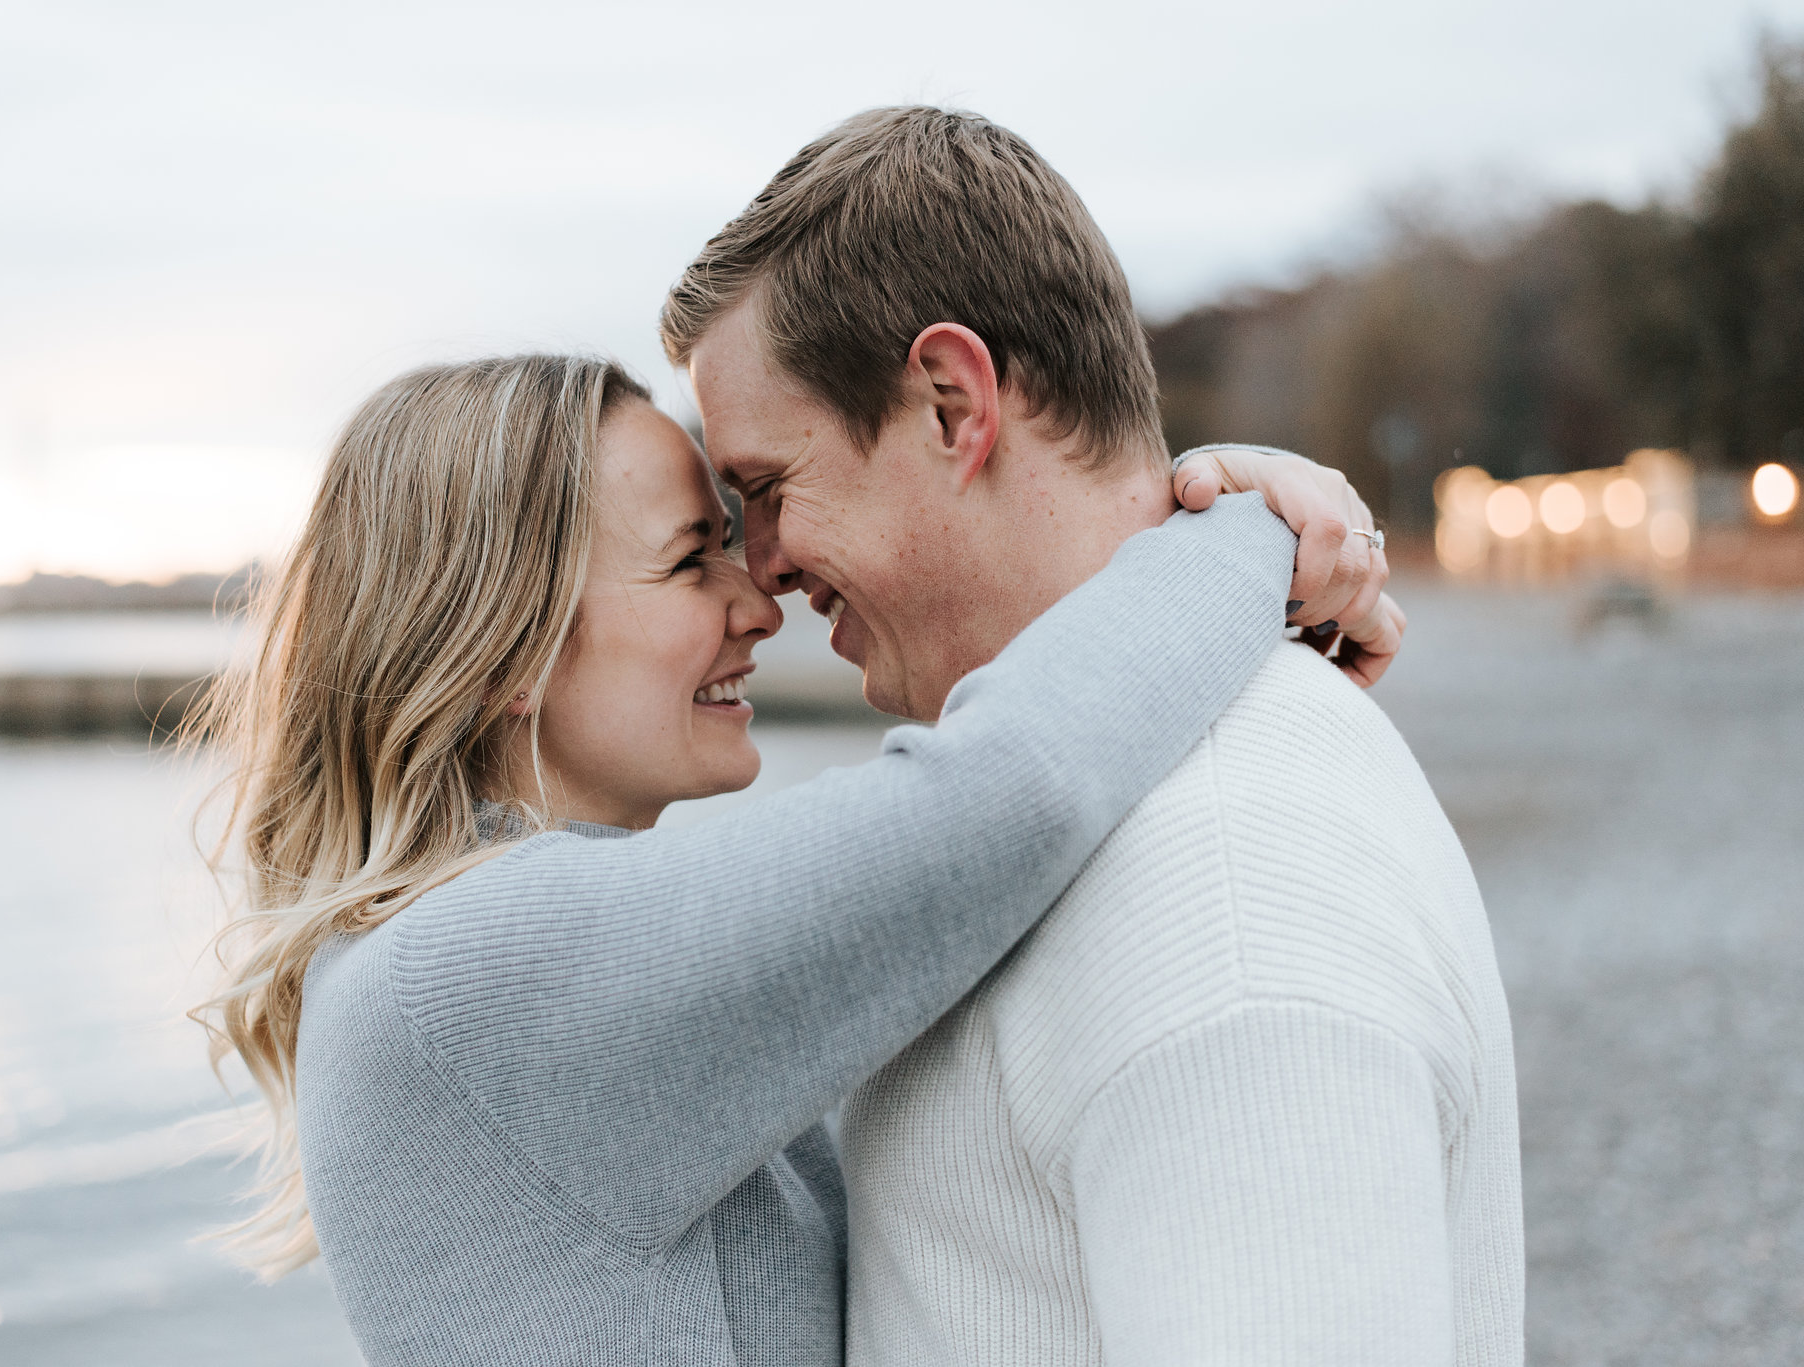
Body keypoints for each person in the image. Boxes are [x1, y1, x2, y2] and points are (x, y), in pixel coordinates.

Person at [189, 347, 1393, 1365]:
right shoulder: (472, 973)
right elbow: (1004, 791)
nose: (758, 601)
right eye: (688, 557)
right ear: (501, 646)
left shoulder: (433, 962)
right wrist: (1250, 535)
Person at [661, 107, 1522, 1365]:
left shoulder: (1222, 895)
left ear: (953, 405)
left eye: (768, 491)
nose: (765, 570)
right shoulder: (1106, 793)